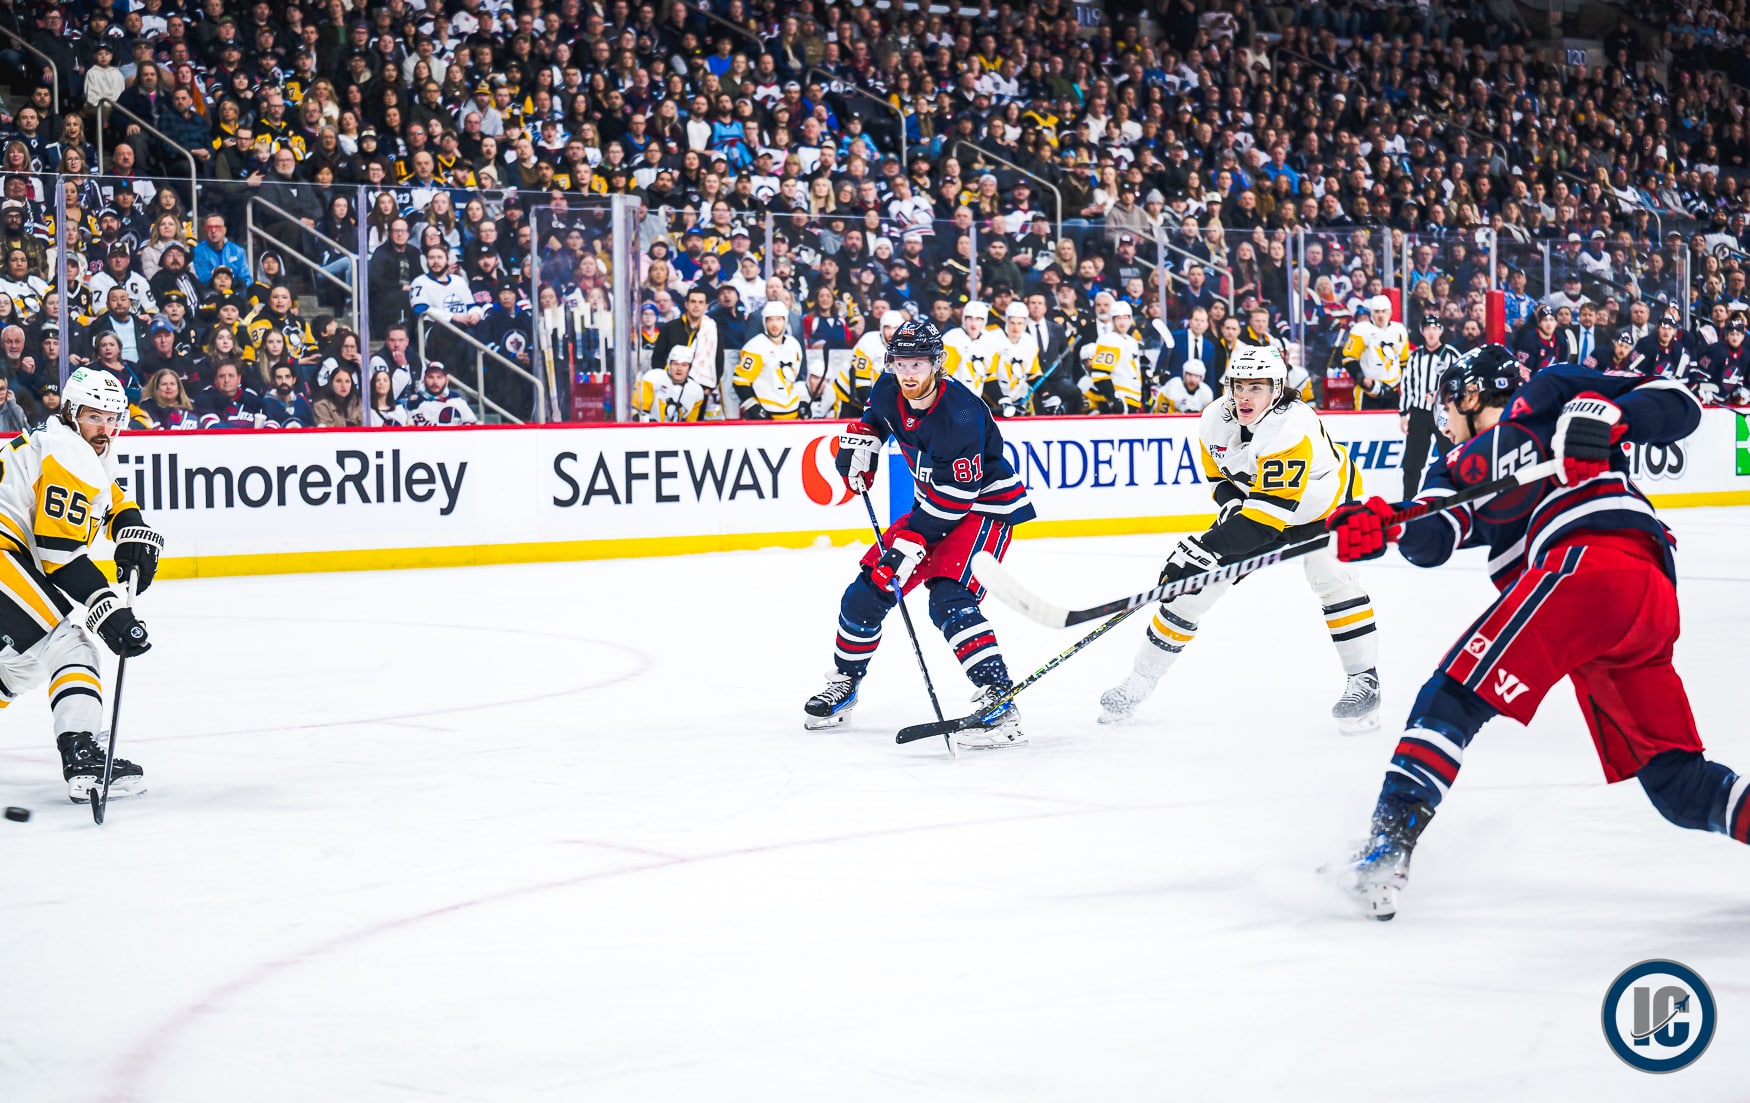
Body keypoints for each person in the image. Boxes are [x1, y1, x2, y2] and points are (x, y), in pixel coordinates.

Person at [1325, 346, 1747, 919]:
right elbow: (1436, 532)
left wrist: (1610, 415)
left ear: (1470, 395)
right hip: (1630, 611)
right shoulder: (1456, 468)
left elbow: (1679, 402)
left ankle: (1385, 849)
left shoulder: (1550, 391)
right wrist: (1387, 524)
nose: (1445, 424)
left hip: (1593, 566)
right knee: (1680, 786)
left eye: (1448, 407)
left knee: (1453, 695)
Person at [1099, 344, 1379, 732]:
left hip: (1324, 507)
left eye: (1257, 387)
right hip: (1262, 507)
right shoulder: (1214, 418)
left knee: (1332, 578)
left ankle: (1364, 682)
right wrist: (1230, 507)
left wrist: (1203, 548)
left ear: (1277, 389)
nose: (1244, 396)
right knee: (1192, 592)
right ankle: (1139, 682)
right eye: (1239, 385)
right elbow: (1219, 477)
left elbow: (1265, 524)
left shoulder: (1290, 427)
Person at [804, 319, 1036, 750]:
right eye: (900, 362)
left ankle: (1000, 702)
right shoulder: (887, 388)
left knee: (949, 598)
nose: (908, 373)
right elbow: (876, 417)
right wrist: (865, 443)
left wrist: (910, 543)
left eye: (918, 363)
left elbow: (958, 497)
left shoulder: (961, 414)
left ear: (937, 364)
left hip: (982, 508)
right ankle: (845, 683)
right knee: (865, 593)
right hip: (931, 507)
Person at [0, 368, 158, 802]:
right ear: (71, 412)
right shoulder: (66, 452)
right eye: (94, 417)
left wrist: (132, 530)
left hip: (10, 557)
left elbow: (109, 495)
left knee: (21, 666)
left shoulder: (69, 445)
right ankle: (83, 758)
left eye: (112, 418)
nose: (104, 429)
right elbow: (59, 555)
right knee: (69, 646)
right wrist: (110, 611)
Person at [1400, 317, 1461, 499]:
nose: (1431, 332)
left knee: (1449, 455)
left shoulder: (1451, 354)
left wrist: (1443, 394)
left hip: (1443, 413)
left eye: (1435, 328)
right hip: (1419, 414)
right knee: (1412, 463)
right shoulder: (1415, 356)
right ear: (1422, 332)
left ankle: (1451, 496)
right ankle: (1408, 501)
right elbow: (1407, 385)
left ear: (1440, 331)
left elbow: (1460, 381)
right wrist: (1403, 414)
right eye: (1427, 329)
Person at [819, 309, 901, 419]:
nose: (891, 333)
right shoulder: (868, 342)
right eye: (888, 328)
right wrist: (881, 411)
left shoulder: (905, 347)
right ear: (881, 328)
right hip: (847, 397)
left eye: (896, 328)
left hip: (873, 400)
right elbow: (861, 385)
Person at [732, 301, 806, 419]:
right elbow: (740, 381)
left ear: (785, 321)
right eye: (770, 320)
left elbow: (797, 379)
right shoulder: (755, 346)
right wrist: (753, 407)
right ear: (764, 322)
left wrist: (803, 401)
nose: (774, 324)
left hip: (793, 414)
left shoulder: (793, 344)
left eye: (778, 319)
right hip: (766, 414)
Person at [1341, 294, 1407, 410]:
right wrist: (1362, 378)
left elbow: (1404, 361)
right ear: (1371, 313)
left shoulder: (1399, 330)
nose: (1380, 315)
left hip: (1393, 391)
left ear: (1390, 312)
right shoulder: (1361, 330)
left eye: (1384, 311)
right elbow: (1348, 358)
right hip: (1369, 391)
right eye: (1377, 311)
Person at [986, 301, 1041, 417]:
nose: (1016, 327)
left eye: (1020, 323)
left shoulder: (1030, 342)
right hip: (995, 397)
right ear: (1006, 321)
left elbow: (1034, 373)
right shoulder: (992, 339)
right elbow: (989, 375)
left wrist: (1047, 395)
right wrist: (1000, 398)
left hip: (1019, 397)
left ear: (1025, 323)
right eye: (1012, 323)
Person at [1087, 300, 1143, 413]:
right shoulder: (1109, 339)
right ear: (1112, 320)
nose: (1122, 322)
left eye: (1125, 318)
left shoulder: (1132, 341)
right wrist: (1112, 398)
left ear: (1130, 319)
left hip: (1132, 397)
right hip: (1118, 397)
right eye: (1118, 318)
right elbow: (1099, 374)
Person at [633, 344, 706, 423]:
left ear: (690, 367)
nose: (679, 369)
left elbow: (691, 424)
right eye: (675, 364)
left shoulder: (696, 391)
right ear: (669, 364)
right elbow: (637, 411)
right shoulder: (652, 379)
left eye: (684, 365)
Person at [400, 361, 478, 425]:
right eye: (431, 377)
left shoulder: (456, 399)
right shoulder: (415, 402)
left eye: (439, 377)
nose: (435, 381)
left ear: (446, 381)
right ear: (424, 379)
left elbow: (471, 423)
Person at [196, 360, 266, 430]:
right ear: (215, 380)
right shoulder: (205, 398)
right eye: (222, 376)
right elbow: (212, 426)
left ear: (239, 379)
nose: (226, 380)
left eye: (231, 376)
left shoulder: (252, 399)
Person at [1694, 317, 1749, 405]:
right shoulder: (1715, 350)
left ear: (1743, 336)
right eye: (1732, 334)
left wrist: (1740, 392)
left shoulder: (1745, 355)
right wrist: (1705, 390)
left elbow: (1740, 380)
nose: (1735, 338)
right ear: (1726, 336)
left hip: (1728, 400)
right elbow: (1700, 375)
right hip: (1710, 399)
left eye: (1738, 334)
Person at [1510, 304, 1573, 380]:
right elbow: (1524, 372)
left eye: (1551, 320)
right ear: (1539, 323)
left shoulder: (1560, 338)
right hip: (1533, 380)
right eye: (1545, 320)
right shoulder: (1528, 339)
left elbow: (1562, 365)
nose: (1549, 324)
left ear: (1556, 323)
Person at [260, 363, 315, 428]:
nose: (284, 381)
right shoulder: (266, 404)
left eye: (287, 377)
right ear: (273, 381)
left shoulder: (302, 403)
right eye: (279, 377)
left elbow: (312, 428)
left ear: (294, 380)